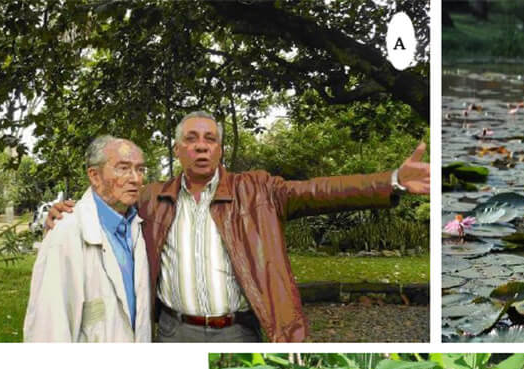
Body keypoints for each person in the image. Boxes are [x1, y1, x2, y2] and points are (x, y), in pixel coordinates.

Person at [48, 111, 430, 342]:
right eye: (191, 140)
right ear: (179, 149)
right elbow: (105, 201)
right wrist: (59, 212)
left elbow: (320, 191)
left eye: (210, 140)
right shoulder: (151, 198)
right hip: (172, 332)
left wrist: (392, 179)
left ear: (219, 149)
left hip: (239, 330)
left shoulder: (258, 191)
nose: (201, 147)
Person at [25, 136, 150, 342]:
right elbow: (48, 327)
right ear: (94, 176)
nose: (136, 178)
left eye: (140, 169)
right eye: (123, 168)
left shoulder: (138, 225)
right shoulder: (67, 231)